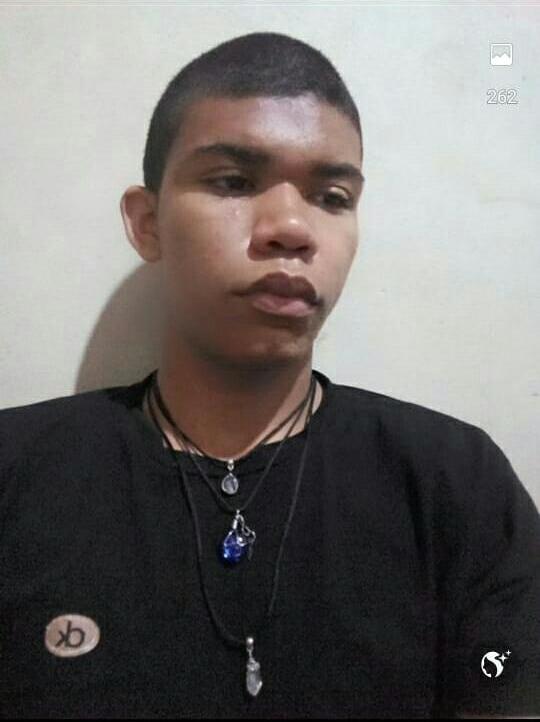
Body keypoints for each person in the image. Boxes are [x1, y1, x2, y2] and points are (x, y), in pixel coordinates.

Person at [0, 31, 539, 719]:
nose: (291, 227)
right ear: (147, 223)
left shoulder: (454, 483)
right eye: (232, 181)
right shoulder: (18, 473)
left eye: (332, 196)